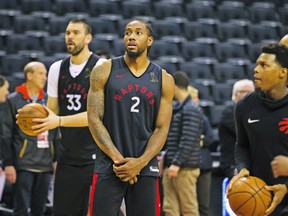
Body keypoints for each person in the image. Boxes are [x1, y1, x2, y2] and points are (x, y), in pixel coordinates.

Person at [87, 18, 175, 216]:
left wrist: (140, 163)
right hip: (109, 166)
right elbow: (93, 119)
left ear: (149, 40)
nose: (131, 37)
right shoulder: (104, 70)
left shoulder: (165, 79)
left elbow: (162, 128)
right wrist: (119, 160)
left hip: (144, 167)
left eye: (138, 32)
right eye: (127, 32)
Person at [31, 19, 101, 215]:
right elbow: (51, 112)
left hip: (98, 156)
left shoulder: (101, 66)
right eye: (68, 32)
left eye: (76, 33)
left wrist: (58, 121)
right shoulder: (56, 69)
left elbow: (96, 115)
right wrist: (33, 118)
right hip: (68, 156)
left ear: (88, 38)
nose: (70, 36)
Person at [228, 43, 288, 216]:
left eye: (264, 65)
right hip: (259, 195)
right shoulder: (244, 106)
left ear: (283, 72)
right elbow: (242, 144)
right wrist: (243, 167)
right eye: (256, 64)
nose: (256, 70)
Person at [1, 61, 60, 216]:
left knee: (39, 211)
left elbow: (55, 132)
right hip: (23, 165)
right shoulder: (13, 100)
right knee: (20, 210)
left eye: (46, 74)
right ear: (29, 75)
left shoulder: (49, 101)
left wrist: (56, 159)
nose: (45, 77)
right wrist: (8, 164)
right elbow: (5, 134)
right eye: (41, 73)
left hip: (45, 165)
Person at [162, 71, 203, 216]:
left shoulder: (191, 109)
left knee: (189, 209)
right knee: (169, 209)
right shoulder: (180, 107)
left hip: (184, 168)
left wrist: (177, 163)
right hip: (173, 165)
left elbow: (189, 139)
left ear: (175, 86)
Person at [218, 79, 255, 179]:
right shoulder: (230, 110)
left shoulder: (253, 111)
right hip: (233, 164)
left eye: (252, 92)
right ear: (236, 94)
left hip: (247, 164)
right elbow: (248, 134)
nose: (251, 95)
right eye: (246, 92)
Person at [188, 85, 214, 216]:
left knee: (204, 205)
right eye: (193, 98)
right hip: (186, 166)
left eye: (197, 98)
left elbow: (210, 139)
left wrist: (195, 141)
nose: (196, 101)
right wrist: (198, 140)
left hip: (204, 166)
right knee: (188, 205)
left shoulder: (203, 118)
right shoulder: (180, 116)